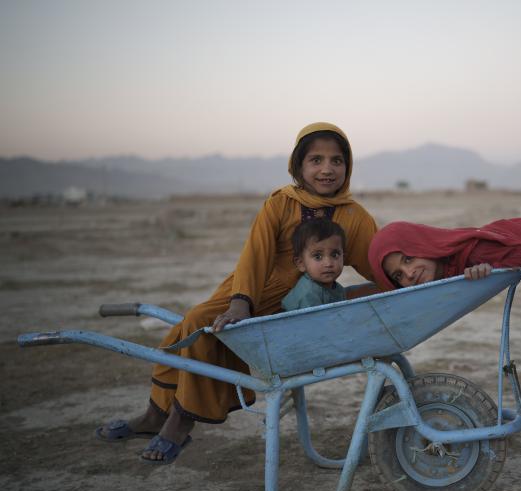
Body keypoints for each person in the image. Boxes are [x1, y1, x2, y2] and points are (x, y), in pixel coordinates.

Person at [95, 122, 378, 464]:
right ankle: (156, 415)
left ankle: (178, 422)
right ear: (298, 166)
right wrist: (241, 302)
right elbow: (254, 254)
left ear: (347, 167)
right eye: (316, 160)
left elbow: (376, 263)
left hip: (291, 307)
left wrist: (419, 276)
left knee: (199, 326)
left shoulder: (355, 217)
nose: (327, 169)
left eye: (336, 161)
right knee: (192, 325)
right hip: (248, 288)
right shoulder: (280, 203)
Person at [368, 218, 521, 435]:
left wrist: (488, 265)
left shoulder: (473, 252)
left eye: (408, 259)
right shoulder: (449, 264)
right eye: (398, 276)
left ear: (423, 244)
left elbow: (519, 256)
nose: (409, 273)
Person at [281, 218, 347, 311]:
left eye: (334, 255)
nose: (328, 263)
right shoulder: (308, 295)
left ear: (343, 257)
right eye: (318, 256)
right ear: (301, 263)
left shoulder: (337, 289)